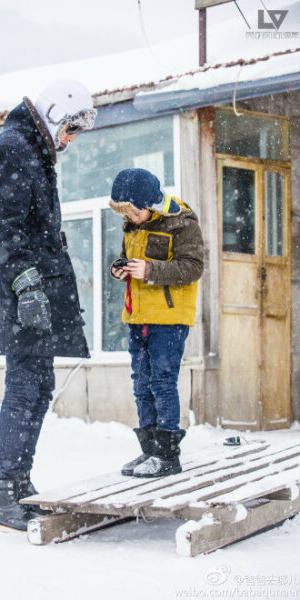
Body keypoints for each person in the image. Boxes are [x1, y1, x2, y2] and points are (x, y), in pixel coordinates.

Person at [0, 78, 97, 531]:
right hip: (23, 289)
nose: (72, 141)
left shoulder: (34, 152)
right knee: (25, 386)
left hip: (36, 286)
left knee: (38, 386)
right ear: (55, 115)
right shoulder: (12, 149)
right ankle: (5, 492)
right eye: (71, 129)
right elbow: (2, 226)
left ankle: (19, 485)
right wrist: (27, 283)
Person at [109, 168, 204, 478]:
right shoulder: (132, 225)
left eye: (135, 212)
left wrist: (150, 271)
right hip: (138, 315)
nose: (132, 219)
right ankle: (149, 450)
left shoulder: (182, 222)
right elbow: (130, 259)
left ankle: (167, 455)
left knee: (162, 381)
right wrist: (121, 268)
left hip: (169, 317)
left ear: (151, 203)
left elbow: (192, 267)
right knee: (141, 383)